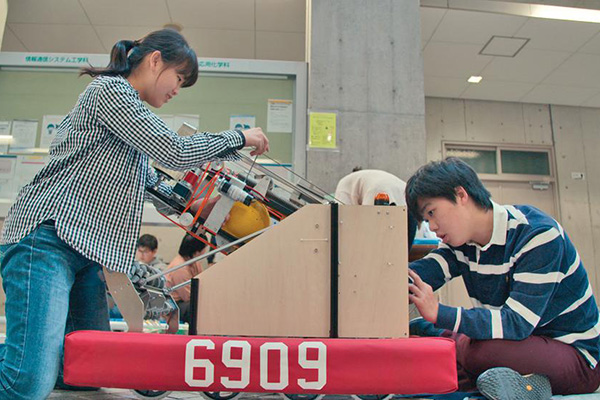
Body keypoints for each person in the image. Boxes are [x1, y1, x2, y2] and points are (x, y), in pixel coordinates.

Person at [0, 28, 269, 399]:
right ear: (155, 61)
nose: (177, 90)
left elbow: (160, 189)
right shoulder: (110, 93)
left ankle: (25, 359)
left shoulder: (132, 135)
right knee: (25, 383)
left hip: (87, 255)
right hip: (46, 241)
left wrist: (210, 209)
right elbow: (173, 150)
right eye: (179, 78)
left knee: (85, 371)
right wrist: (238, 137)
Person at [405, 157, 600, 399]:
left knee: (481, 351)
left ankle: (445, 338)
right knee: (446, 364)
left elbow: (516, 323)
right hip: (516, 345)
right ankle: (513, 384)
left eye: (432, 212)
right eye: (426, 220)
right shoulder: (460, 243)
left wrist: (439, 315)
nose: (432, 226)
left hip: (575, 357)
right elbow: (421, 273)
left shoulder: (537, 235)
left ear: (461, 195)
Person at [335, 167, 417, 250]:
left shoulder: (344, 183)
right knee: (403, 253)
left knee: (373, 243)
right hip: (406, 193)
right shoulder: (367, 176)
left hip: (379, 191)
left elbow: (342, 220)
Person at [166, 234, 208, 323]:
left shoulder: (194, 262)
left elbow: (203, 282)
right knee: (198, 307)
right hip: (174, 305)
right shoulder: (180, 268)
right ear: (196, 252)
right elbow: (188, 297)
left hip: (186, 300)